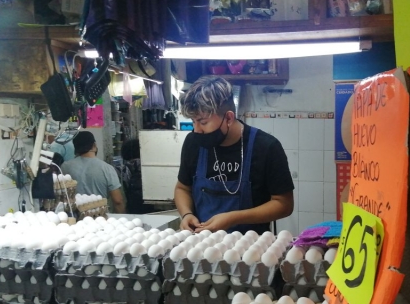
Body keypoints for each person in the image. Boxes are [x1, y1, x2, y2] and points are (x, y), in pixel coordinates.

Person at [175, 76, 294, 234]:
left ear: (229, 118)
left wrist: (234, 218)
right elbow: (182, 188)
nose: (196, 130)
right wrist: (187, 214)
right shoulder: (194, 143)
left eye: (203, 122)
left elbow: (284, 204)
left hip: (251, 247)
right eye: (193, 122)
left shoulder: (266, 147)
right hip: (201, 245)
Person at [61, 131, 126, 213]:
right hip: (100, 217)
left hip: (75, 217)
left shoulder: (65, 167)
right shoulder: (107, 168)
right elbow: (118, 201)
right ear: (94, 145)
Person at [121, 138, 153, 214]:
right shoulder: (148, 165)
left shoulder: (126, 167)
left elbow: (125, 186)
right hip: (150, 202)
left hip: (134, 205)